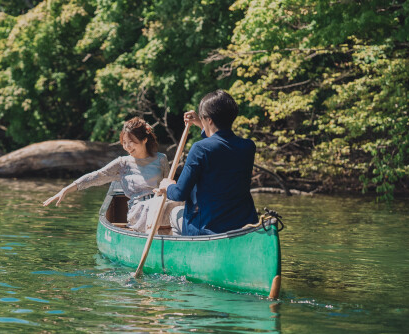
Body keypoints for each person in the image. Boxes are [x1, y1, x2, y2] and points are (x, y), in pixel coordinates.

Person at [43, 117, 172, 233]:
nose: (127, 147)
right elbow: (96, 176)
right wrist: (66, 189)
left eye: (131, 142)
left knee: (179, 204)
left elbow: (168, 187)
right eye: (124, 142)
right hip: (138, 211)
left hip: (160, 205)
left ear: (144, 139)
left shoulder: (161, 159)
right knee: (156, 203)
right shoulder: (122, 164)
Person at [157, 90, 258, 236]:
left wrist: (168, 186)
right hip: (243, 225)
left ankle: (186, 251)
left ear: (209, 120)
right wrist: (200, 123)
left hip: (208, 228)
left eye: (204, 119)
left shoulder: (200, 148)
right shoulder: (248, 146)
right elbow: (222, 141)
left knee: (175, 214)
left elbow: (179, 194)